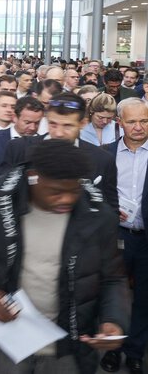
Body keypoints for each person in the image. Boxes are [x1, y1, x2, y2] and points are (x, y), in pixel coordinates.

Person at [0, 140, 127, 374]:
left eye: (74, 190)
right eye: (56, 191)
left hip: (68, 347)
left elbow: (112, 278)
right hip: (6, 340)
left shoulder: (99, 215)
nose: (66, 199)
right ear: (34, 177)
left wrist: (113, 319)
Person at [1, 92, 119, 212]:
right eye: (53, 124)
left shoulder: (102, 160)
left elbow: (110, 208)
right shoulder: (19, 149)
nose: (58, 133)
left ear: (82, 123)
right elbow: (2, 195)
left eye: (67, 126)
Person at [101, 98, 148, 374]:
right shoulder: (106, 154)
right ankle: (113, 350)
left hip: (146, 238)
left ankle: (135, 351)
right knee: (114, 295)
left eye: (144, 121)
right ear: (120, 123)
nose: (139, 127)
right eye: (132, 121)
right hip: (117, 236)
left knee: (144, 298)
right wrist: (108, 210)